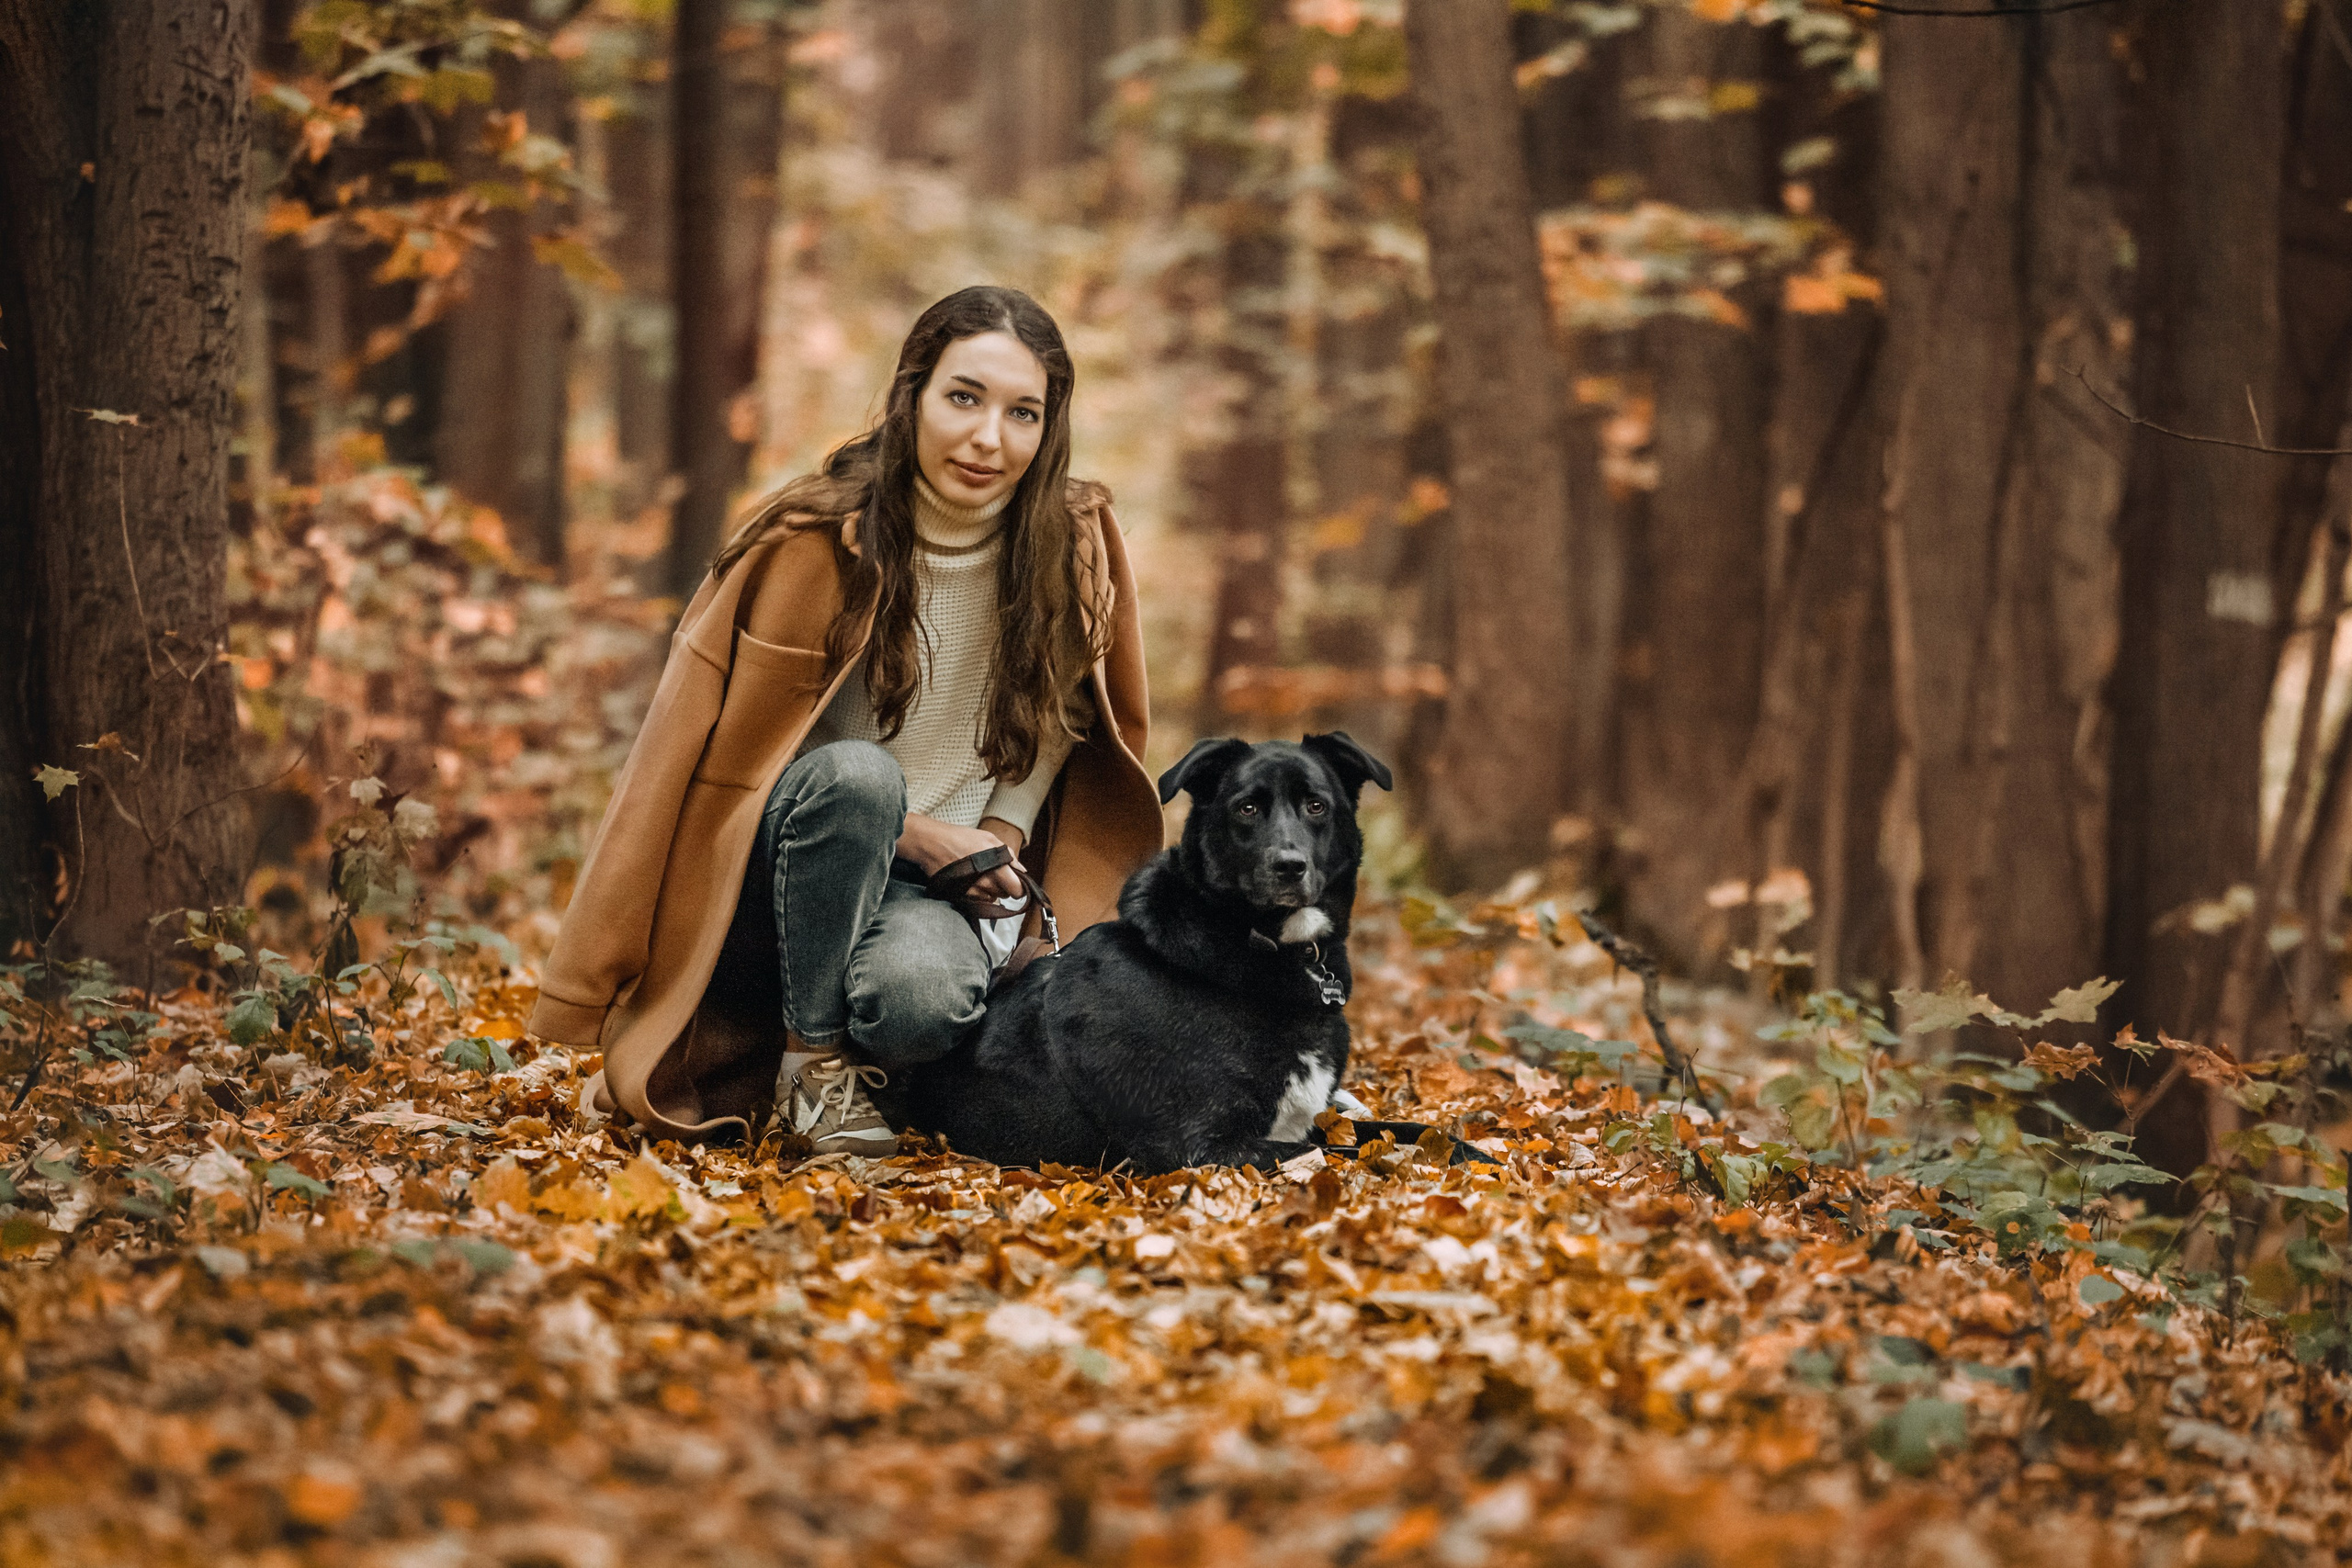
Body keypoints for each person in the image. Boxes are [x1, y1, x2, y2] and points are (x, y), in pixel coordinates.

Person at [525, 287, 1163, 1152]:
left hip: (939, 888)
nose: (989, 438)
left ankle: (877, 1066)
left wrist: (1001, 835)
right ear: (913, 394)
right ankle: (810, 1066)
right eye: (964, 398)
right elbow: (710, 759)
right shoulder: (807, 540)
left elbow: (1063, 716)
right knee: (861, 778)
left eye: (1024, 413)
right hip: (786, 858)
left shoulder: (1072, 538)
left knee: (920, 1003)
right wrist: (914, 829)